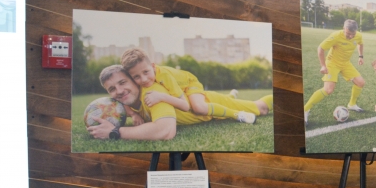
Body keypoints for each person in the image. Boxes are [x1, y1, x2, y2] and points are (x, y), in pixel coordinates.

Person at [88, 65, 270, 141]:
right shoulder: (123, 103)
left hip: (209, 102)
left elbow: (166, 131)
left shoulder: (153, 94)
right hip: (202, 106)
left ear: (135, 81)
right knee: (229, 100)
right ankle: (231, 96)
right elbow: (125, 106)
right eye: (112, 89)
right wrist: (133, 114)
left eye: (123, 83)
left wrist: (115, 132)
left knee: (260, 108)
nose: (119, 91)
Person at [120, 48, 267, 124]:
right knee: (206, 103)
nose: (143, 79)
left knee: (199, 107)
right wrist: (133, 114)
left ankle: (237, 115)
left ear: (153, 66)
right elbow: (122, 100)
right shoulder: (139, 85)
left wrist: (161, 97)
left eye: (146, 72)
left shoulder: (164, 76)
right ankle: (230, 96)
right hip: (182, 88)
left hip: (190, 83)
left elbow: (185, 106)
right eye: (136, 77)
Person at [303, 18, 365, 124]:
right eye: (348, 34)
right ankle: (305, 109)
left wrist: (360, 56)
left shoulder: (358, 35)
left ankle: (352, 104)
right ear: (343, 28)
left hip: (345, 63)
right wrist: (323, 66)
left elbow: (360, 43)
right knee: (328, 90)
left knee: (360, 82)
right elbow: (320, 48)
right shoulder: (336, 36)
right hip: (332, 63)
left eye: (353, 34)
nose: (351, 36)